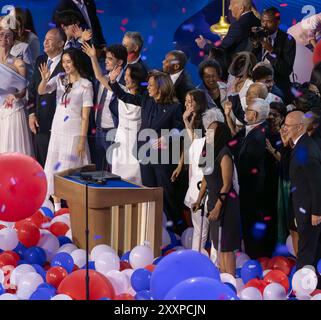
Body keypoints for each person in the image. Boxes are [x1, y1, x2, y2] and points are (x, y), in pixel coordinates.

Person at [107, 68, 184, 227]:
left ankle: (173, 229)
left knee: (165, 194)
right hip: (144, 153)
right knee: (149, 192)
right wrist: (113, 82)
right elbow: (125, 96)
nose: (147, 87)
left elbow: (181, 131)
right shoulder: (146, 100)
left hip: (163, 158)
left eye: (151, 85)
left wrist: (167, 138)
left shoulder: (174, 107)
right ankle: (153, 226)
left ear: (161, 87)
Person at [38, 48, 93, 211]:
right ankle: (56, 209)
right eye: (63, 62)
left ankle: (73, 210)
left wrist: (82, 140)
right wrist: (44, 79)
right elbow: (42, 90)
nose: (65, 65)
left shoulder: (86, 84)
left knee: (70, 170)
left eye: (68, 61)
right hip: (57, 129)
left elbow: (85, 116)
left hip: (74, 132)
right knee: (54, 167)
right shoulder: (60, 78)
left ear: (76, 62)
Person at [194, 121, 241, 275]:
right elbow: (206, 177)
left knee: (226, 247)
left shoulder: (225, 154)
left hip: (226, 203)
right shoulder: (208, 151)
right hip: (213, 199)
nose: (208, 134)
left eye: (211, 132)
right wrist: (199, 199)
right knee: (217, 244)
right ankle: (223, 277)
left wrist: (218, 207)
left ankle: (231, 280)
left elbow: (226, 185)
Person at [231, 98, 270, 258]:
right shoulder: (251, 129)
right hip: (247, 188)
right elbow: (234, 142)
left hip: (253, 190)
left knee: (252, 223)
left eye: (247, 110)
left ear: (254, 114)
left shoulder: (260, 134)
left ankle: (256, 256)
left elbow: (252, 165)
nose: (245, 112)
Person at [284, 111, 321, 269]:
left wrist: (317, 212)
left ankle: (302, 286)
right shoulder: (300, 144)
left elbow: (317, 183)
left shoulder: (307, 149)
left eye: (287, 126)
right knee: (309, 248)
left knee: (307, 250)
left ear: (299, 127)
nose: (284, 129)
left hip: (309, 210)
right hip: (302, 206)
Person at [82, 42, 127, 171]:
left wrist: (93, 57)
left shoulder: (124, 83)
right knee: (98, 169)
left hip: (113, 132)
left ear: (120, 62)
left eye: (110, 59)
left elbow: (99, 75)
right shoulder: (103, 78)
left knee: (113, 169)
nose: (106, 61)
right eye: (106, 58)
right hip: (98, 131)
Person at [28, 28, 66, 167]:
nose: (45, 42)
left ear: (61, 43)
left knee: (58, 166)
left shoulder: (67, 62)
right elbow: (32, 90)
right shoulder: (41, 60)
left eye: (49, 40)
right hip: (40, 123)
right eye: (45, 39)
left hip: (60, 123)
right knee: (42, 164)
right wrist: (31, 114)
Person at [195, 0, 260, 71]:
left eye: (231, 5)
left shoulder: (238, 26)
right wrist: (211, 44)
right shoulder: (257, 21)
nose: (229, 8)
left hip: (241, 69)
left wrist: (205, 45)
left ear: (241, 8)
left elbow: (221, 51)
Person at [252, 7, 296, 104]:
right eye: (263, 21)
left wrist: (271, 51)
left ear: (278, 22)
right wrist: (254, 45)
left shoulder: (288, 40)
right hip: (256, 82)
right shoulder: (258, 35)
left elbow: (286, 70)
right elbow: (251, 59)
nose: (264, 25)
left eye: (268, 22)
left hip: (277, 83)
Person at [0, 26, 32, 155]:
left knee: (11, 147)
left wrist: (15, 95)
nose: (4, 38)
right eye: (1, 34)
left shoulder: (19, 63)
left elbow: (23, 91)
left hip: (12, 110)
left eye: (8, 35)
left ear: (13, 41)